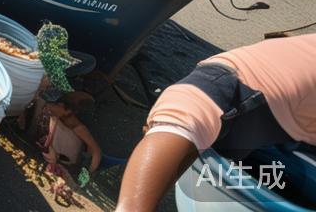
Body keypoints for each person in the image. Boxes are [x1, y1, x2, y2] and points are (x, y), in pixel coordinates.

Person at [116, 35, 316, 212]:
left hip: (280, 129)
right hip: (246, 97)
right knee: (184, 123)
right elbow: (186, 112)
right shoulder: (232, 88)